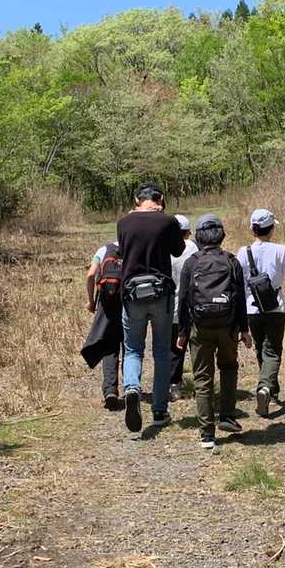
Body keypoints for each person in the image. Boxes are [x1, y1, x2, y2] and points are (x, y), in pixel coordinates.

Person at [117, 182, 185, 435]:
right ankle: (159, 411)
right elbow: (178, 250)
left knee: (133, 349)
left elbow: (123, 252)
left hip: (132, 292)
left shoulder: (124, 223)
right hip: (160, 292)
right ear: (161, 199)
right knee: (161, 352)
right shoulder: (168, 221)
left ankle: (132, 388)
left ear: (137, 200)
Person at [176, 214, 249, 450]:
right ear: (221, 235)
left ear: (198, 237)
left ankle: (207, 434)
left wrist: (182, 332)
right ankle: (227, 416)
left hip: (199, 327)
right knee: (228, 368)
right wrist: (244, 329)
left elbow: (183, 300)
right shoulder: (232, 261)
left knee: (202, 377)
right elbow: (240, 299)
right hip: (228, 326)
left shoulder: (191, 263)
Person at [241, 208, 285, 418]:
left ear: (253, 229)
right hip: (274, 307)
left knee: (261, 348)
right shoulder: (280, 250)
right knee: (273, 351)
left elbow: (239, 281)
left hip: (251, 307)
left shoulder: (243, 252)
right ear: (270, 229)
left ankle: (271, 388)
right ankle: (265, 387)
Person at [84, 238, 123, 409]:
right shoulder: (135, 248)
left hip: (107, 302)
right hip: (128, 301)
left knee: (110, 346)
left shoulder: (103, 250)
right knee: (131, 347)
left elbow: (91, 274)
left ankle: (110, 390)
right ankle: (131, 388)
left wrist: (91, 301)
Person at [169, 214, 198, 402]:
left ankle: (173, 385)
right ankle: (201, 382)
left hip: (170, 307)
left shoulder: (164, 248)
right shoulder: (193, 248)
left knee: (173, 349)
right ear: (187, 232)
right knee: (193, 346)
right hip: (191, 306)